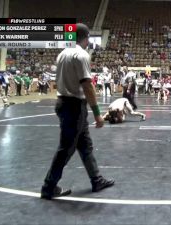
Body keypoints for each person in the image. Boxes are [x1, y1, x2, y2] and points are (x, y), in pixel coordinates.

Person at [41, 23, 114, 200]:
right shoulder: (81, 55)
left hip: (64, 102)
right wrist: (97, 112)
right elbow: (87, 85)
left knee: (85, 145)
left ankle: (96, 180)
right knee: (66, 148)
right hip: (74, 106)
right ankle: (48, 187)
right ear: (86, 37)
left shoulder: (62, 54)